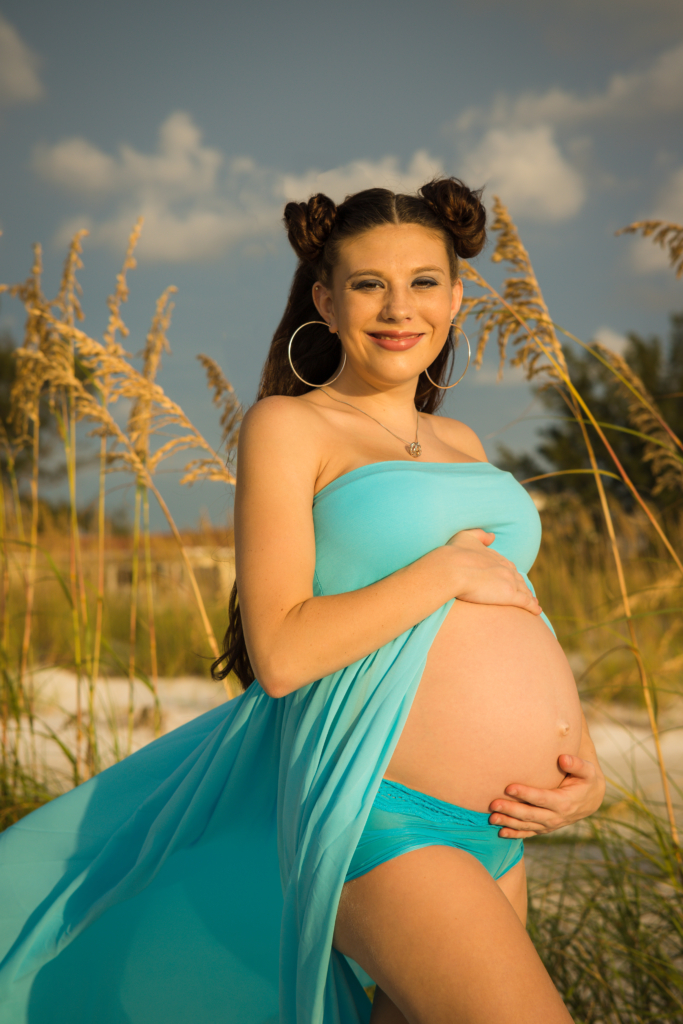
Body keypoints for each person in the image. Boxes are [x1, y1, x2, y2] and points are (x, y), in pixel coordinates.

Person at [0, 179, 604, 1024]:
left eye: (423, 282)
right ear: (325, 300)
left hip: (500, 831)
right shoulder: (289, 426)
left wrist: (582, 763)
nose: (399, 308)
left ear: (457, 297)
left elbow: (512, 600)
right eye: (368, 284)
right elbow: (281, 653)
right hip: (380, 813)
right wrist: (440, 573)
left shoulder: (461, 441)